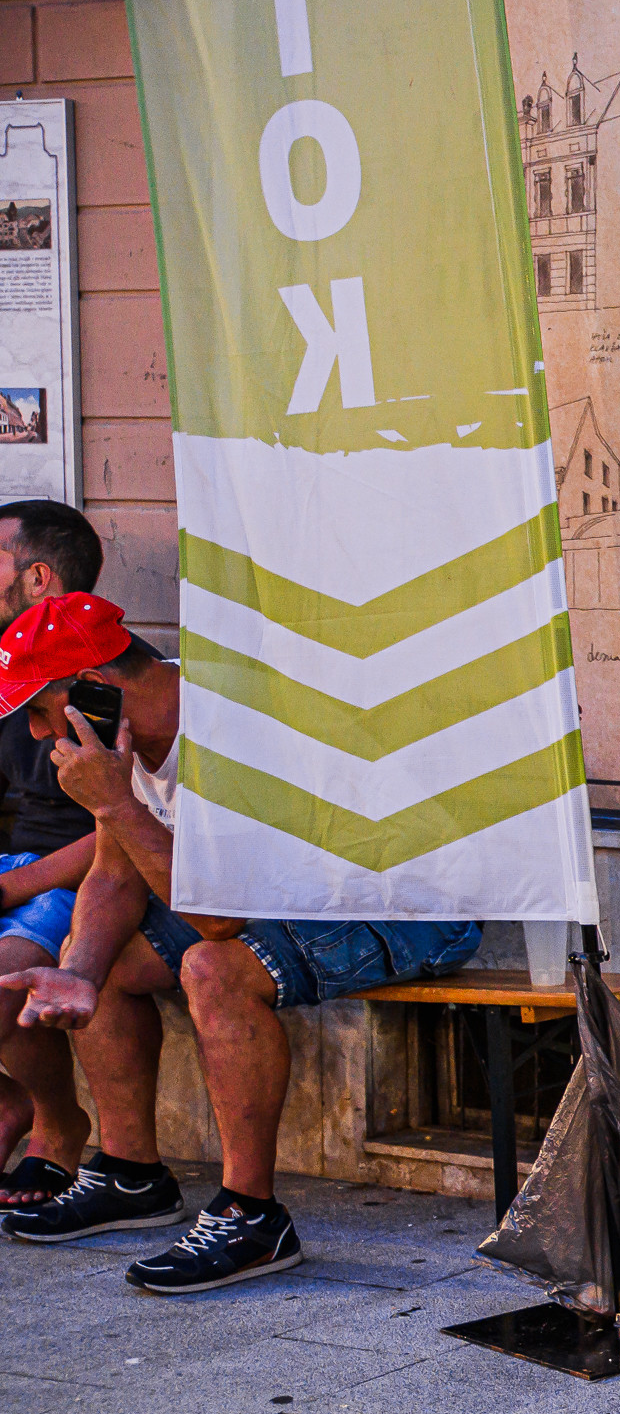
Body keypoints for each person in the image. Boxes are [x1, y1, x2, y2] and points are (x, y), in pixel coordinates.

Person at [0, 594, 484, 1291]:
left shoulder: (234, 722)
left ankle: (253, 1216)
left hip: (403, 899)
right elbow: (113, 873)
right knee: (103, 956)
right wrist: (77, 969)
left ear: (94, 692)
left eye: (42, 712)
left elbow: (219, 922)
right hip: (289, 893)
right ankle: (132, 1176)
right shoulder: (123, 738)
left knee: (213, 967)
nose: (45, 737)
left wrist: (114, 801)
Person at [0, 501, 110, 1207]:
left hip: (77, 875)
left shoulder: (101, 681)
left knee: (5, 982)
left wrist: (16, 889)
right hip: (10, 871)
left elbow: (132, 824)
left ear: (38, 578)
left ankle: (54, 1123)